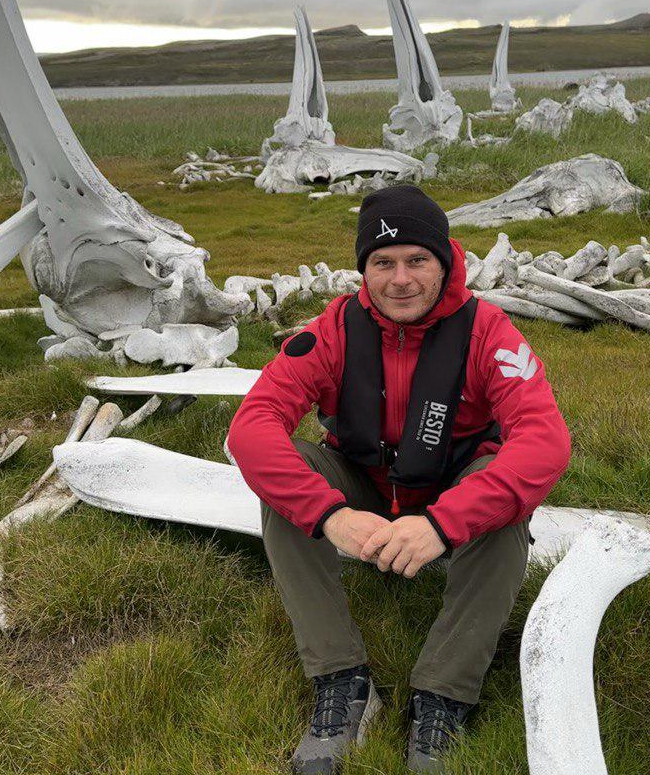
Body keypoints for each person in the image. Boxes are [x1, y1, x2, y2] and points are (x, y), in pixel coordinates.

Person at [227, 184, 571, 774]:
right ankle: (343, 679)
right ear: (365, 270)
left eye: (418, 260)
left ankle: (442, 696)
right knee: (289, 483)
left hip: (447, 490)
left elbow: (545, 439)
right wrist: (331, 515)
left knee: (505, 498)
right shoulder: (333, 329)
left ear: (445, 261)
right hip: (363, 487)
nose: (401, 279)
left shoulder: (489, 331)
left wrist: (442, 524)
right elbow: (251, 425)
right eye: (383, 263)